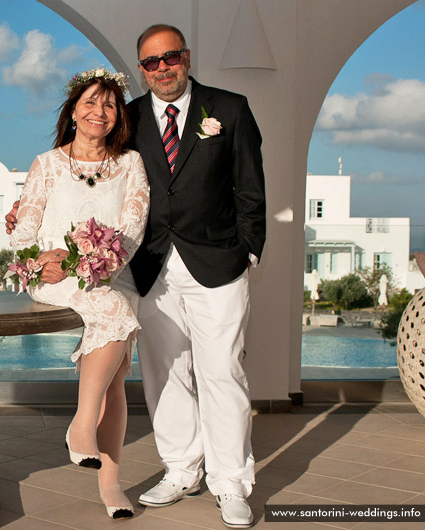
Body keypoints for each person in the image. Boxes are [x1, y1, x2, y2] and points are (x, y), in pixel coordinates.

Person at [128, 24, 266, 529]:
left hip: (218, 263)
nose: (162, 68)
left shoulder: (229, 109)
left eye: (170, 57)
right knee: (164, 374)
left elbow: (250, 185)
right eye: (150, 62)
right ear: (141, 69)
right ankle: (182, 468)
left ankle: (230, 483)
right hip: (152, 267)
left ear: (186, 56)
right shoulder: (129, 117)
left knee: (222, 372)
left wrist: (249, 250)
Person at [9, 68, 150, 519]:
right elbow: (23, 230)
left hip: (111, 270)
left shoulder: (130, 164)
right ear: (73, 110)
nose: (99, 112)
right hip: (52, 273)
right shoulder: (46, 164)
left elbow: (132, 228)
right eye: (90, 102)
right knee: (113, 311)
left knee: (117, 374)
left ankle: (109, 482)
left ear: (118, 117)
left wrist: (100, 263)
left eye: (109, 105)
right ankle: (82, 426)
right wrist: (40, 260)